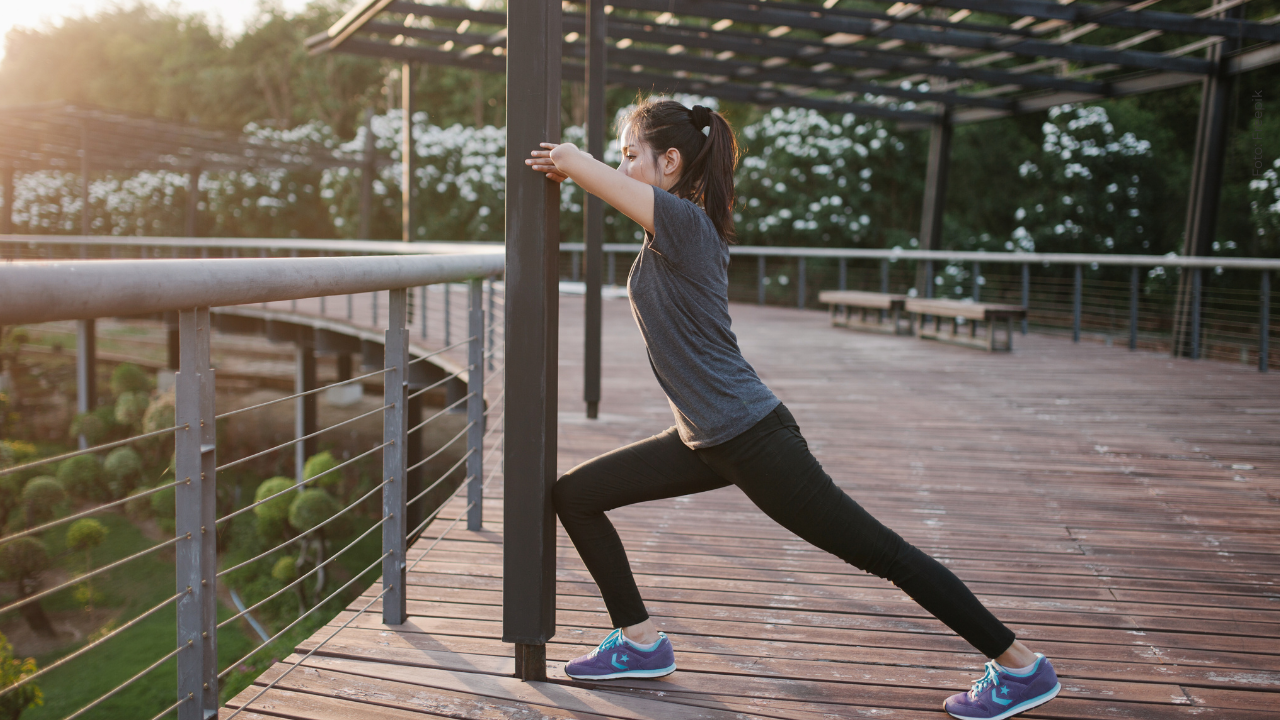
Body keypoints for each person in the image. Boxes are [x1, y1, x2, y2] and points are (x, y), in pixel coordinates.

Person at [525, 98, 1061, 720]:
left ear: (670, 162)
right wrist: (586, 167)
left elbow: (586, 171)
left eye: (630, 155)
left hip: (753, 437)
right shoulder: (664, 230)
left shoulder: (685, 223)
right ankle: (640, 641)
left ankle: (1022, 666)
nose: (620, 166)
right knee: (577, 495)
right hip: (702, 437)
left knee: (883, 555)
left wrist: (568, 158)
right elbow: (614, 191)